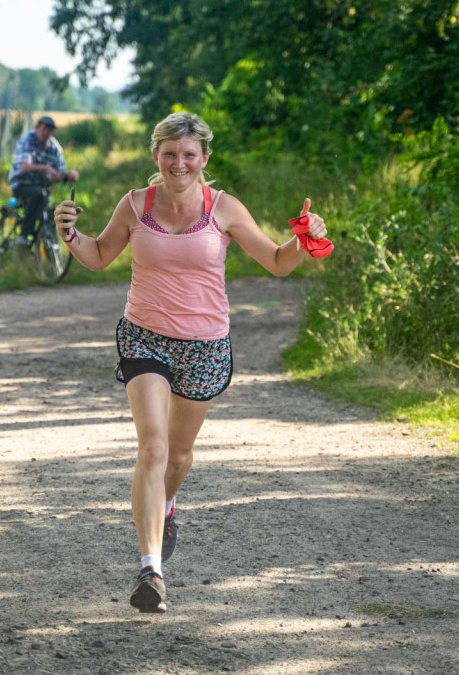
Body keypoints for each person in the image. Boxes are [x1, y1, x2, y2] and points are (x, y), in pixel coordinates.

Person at [52, 111, 331, 613]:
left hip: (204, 343)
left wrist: (305, 238)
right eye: (169, 154)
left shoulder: (223, 208)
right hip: (145, 337)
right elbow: (98, 256)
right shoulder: (135, 205)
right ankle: (151, 570)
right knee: (153, 449)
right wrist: (70, 236)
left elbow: (276, 262)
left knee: (177, 458)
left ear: (204, 158)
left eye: (188, 155)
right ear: (155, 156)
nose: (179, 163)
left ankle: (168, 505)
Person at [7, 115, 80, 246]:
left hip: (42, 185)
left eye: (50, 130)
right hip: (21, 183)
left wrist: (69, 174)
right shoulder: (27, 140)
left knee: (50, 210)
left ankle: (48, 245)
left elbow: (60, 169)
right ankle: (24, 236)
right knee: (38, 195)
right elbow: (24, 166)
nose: (46, 133)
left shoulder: (54, 146)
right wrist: (46, 168)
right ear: (37, 127)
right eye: (44, 129)